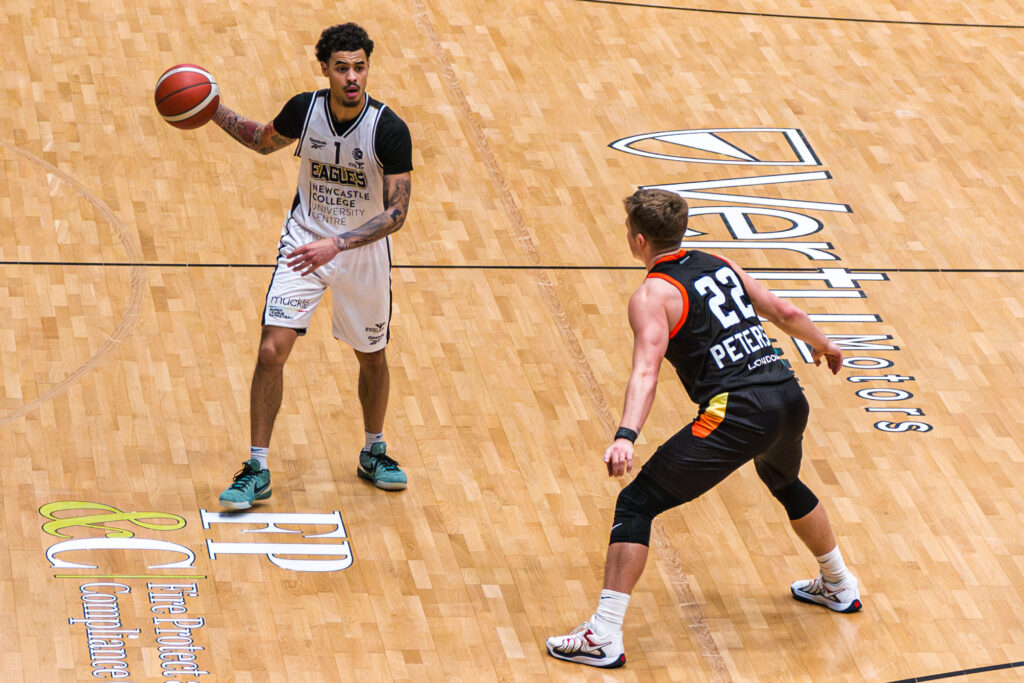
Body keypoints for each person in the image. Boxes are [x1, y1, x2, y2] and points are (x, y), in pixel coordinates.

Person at [546, 189, 861, 669]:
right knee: (783, 479)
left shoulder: (652, 294)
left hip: (736, 410)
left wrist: (625, 436)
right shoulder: (719, 262)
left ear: (637, 240)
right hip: (787, 394)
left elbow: (646, 371)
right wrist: (825, 345)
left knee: (637, 501)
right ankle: (838, 583)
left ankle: (604, 633)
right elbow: (786, 313)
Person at [211, 22, 413, 509]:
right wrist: (211, 109)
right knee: (269, 351)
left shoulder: (388, 128)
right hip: (304, 243)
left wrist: (339, 243)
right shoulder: (306, 110)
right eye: (342, 68)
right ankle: (256, 467)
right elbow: (262, 140)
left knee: (372, 356)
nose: (352, 77)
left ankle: (373, 450)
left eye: (360, 67)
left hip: (361, 253)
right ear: (324, 69)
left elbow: (397, 213)